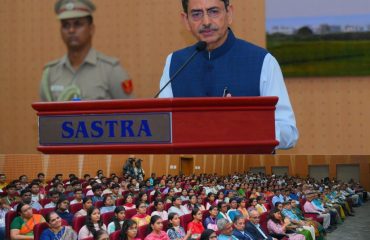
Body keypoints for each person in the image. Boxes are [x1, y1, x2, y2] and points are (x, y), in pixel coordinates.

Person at [158, 0, 298, 150]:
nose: (206, 22)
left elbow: (289, 133)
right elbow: (161, 128)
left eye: (213, 12)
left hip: (246, 169)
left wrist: (246, 125)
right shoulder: (175, 62)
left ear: (229, 13)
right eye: (197, 14)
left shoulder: (262, 61)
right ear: (186, 21)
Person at [40, 0, 133, 101]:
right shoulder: (50, 73)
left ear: (91, 29)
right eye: (66, 25)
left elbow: (131, 113)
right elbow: (45, 116)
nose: (71, 30)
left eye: (78, 24)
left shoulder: (111, 70)